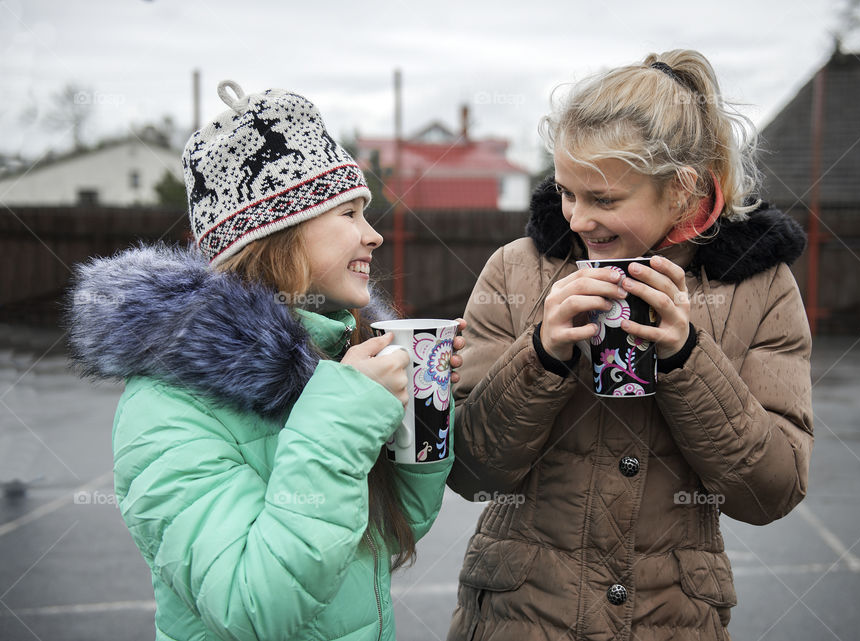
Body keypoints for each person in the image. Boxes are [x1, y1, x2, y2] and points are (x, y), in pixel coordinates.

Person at [68, 81, 462, 641]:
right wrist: (342, 416)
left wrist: (425, 408)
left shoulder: (332, 358)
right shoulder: (164, 407)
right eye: (348, 213)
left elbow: (384, 542)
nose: (372, 235)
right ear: (278, 232)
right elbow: (255, 606)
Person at [446, 50, 813, 641]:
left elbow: (770, 491)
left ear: (681, 189)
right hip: (518, 620)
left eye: (605, 199)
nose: (579, 219)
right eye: (567, 192)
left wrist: (688, 359)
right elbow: (467, 470)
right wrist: (539, 355)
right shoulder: (517, 272)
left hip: (672, 622)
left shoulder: (760, 285)